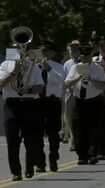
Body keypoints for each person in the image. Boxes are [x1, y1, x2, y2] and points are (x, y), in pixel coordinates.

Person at [0, 43, 44, 181]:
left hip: (29, 103)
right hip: (11, 104)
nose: (20, 50)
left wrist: (28, 90)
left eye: (22, 47)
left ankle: (29, 166)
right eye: (17, 47)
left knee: (30, 139)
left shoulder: (32, 65)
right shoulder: (4, 65)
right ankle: (16, 172)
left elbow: (40, 87)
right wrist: (14, 72)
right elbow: (1, 85)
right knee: (12, 138)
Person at [65, 44, 105, 164]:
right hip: (80, 102)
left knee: (93, 130)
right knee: (79, 130)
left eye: (87, 56)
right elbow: (67, 84)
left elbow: (103, 85)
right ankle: (82, 155)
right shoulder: (75, 68)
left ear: (91, 56)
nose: (85, 58)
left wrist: (91, 79)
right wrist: (78, 78)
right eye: (83, 56)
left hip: (94, 102)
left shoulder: (97, 68)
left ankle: (92, 154)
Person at [35, 40, 65, 173]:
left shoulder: (58, 66)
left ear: (52, 53)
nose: (43, 53)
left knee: (53, 133)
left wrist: (49, 69)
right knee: (37, 133)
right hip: (37, 102)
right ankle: (40, 163)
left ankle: (53, 158)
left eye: (46, 50)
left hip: (52, 102)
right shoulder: (33, 66)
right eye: (41, 50)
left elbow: (61, 81)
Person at [63, 40, 81, 151]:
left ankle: (81, 140)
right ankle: (74, 140)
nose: (73, 50)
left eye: (76, 48)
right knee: (69, 117)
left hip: (82, 93)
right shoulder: (67, 63)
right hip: (70, 93)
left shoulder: (85, 61)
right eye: (72, 48)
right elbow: (65, 80)